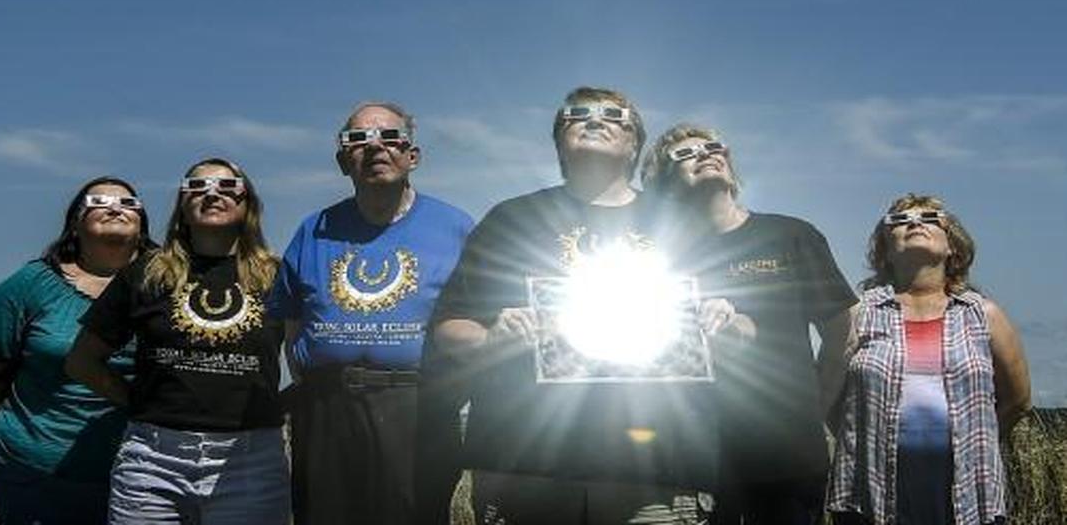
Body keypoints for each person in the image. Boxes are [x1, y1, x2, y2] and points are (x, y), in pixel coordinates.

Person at [431, 87, 719, 525]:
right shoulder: (509, 220)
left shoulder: (681, 223)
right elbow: (448, 327)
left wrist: (724, 319)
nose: (595, 119)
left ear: (634, 143)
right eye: (577, 113)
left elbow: (735, 323)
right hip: (526, 467)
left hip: (657, 467)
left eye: (614, 115)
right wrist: (490, 338)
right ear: (558, 142)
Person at [267, 102, 473, 525]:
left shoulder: (455, 227)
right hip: (327, 413)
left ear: (413, 156)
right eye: (358, 139)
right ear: (343, 161)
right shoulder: (313, 229)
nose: (375, 147)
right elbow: (292, 323)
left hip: (419, 409)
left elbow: (474, 316)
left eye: (390, 137)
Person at [640, 123, 857, 525]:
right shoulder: (660, 259)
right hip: (699, 458)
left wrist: (814, 410)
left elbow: (841, 333)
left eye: (713, 146)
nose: (705, 154)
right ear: (666, 183)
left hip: (788, 456)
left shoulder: (791, 234)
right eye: (685, 154)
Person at [65, 158, 288, 524]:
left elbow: (310, 354)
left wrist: (284, 405)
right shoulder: (146, 273)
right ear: (182, 204)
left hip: (250, 462)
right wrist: (137, 400)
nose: (212, 194)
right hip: (152, 462)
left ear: (248, 204)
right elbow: (82, 362)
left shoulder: (278, 277)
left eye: (227, 187)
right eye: (197, 187)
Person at [826, 194, 1031, 525]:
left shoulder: (985, 315)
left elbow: (1017, 401)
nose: (915, 223)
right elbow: (827, 396)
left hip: (969, 494)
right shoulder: (857, 314)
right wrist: (863, 445)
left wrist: (972, 443)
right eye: (900, 220)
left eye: (930, 218)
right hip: (867, 496)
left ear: (952, 246)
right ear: (885, 249)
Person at [0, 176, 153, 525]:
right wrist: (35, 411)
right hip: (35, 470)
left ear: (142, 225)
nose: (115, 208)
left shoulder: (168, 286)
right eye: (99, 203)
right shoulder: (31, 285)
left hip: (146, 470)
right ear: (75, 225)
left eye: (128, 204)